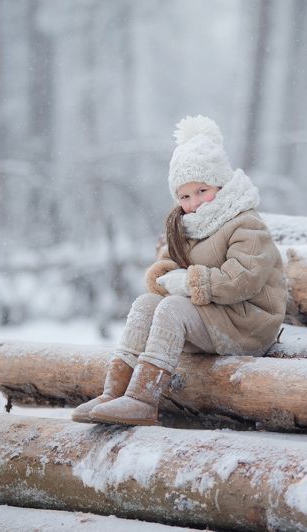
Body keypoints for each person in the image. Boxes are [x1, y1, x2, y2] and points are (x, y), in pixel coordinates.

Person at [71, 115, 286, 426]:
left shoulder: (246, 223)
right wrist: (165, 276)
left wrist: (188, 282)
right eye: (184, 196)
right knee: (146, 304)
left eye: (202, 191)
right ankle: (114, 391)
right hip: (215, 315)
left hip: (247, 322)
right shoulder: (185, 225)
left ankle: (144, 399)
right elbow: (170, 262)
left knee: (173, 308)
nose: (194, 202)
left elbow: (244, 280)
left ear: (220, 185)